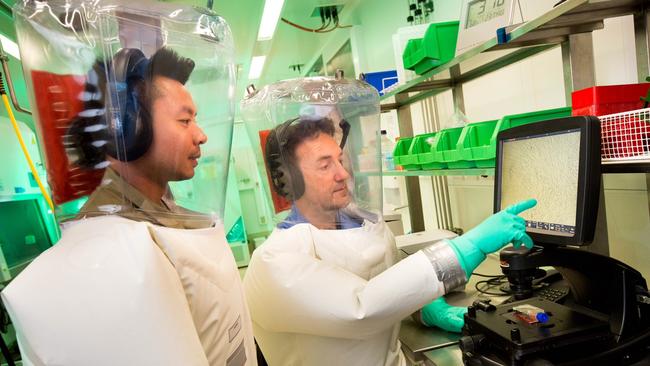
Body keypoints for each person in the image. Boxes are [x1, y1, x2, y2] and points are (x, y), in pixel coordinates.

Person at [2, 2, 255, 365]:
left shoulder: (163, 216)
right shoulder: (109, 251)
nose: (201, 136)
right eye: (185, 121)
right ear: (130, 127)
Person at [243, 115, 536, 366]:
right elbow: (362, 309)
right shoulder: (275, 261)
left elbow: (389, 284)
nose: (342, 174)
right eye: (324, 166)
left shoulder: (357, 228)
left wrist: (423, 308)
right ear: (289, 180)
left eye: (340, 160)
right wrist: (470, 246)